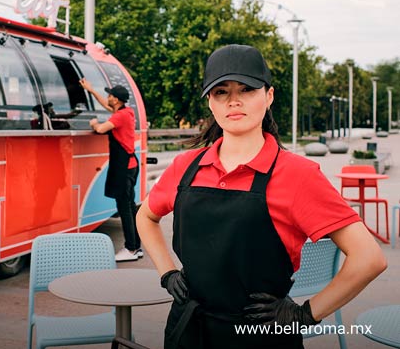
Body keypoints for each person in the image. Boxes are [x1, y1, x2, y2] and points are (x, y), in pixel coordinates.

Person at [136, 44, 387, 348]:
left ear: (268, 96)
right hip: (188, 328)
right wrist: (167, 273)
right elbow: (146, 216)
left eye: (247, 89)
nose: (234, 101)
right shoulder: (185, 166)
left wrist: (306, 314)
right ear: (210, 103)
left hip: (262, 335)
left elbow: (368, 258)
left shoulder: (298, 174)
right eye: (221, 92)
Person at [79, 79, 142, 261]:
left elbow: (100, 129)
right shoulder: (125, 112)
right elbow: (105, 106)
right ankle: (136, 247)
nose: (107, 97)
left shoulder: (120, 116)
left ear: (116, 99)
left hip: (124, 168)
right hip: (130, 165)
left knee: (125, 208)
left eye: (109, 95)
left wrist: (93, 123)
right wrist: (91, 89)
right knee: (129, 207)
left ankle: (130, 248)